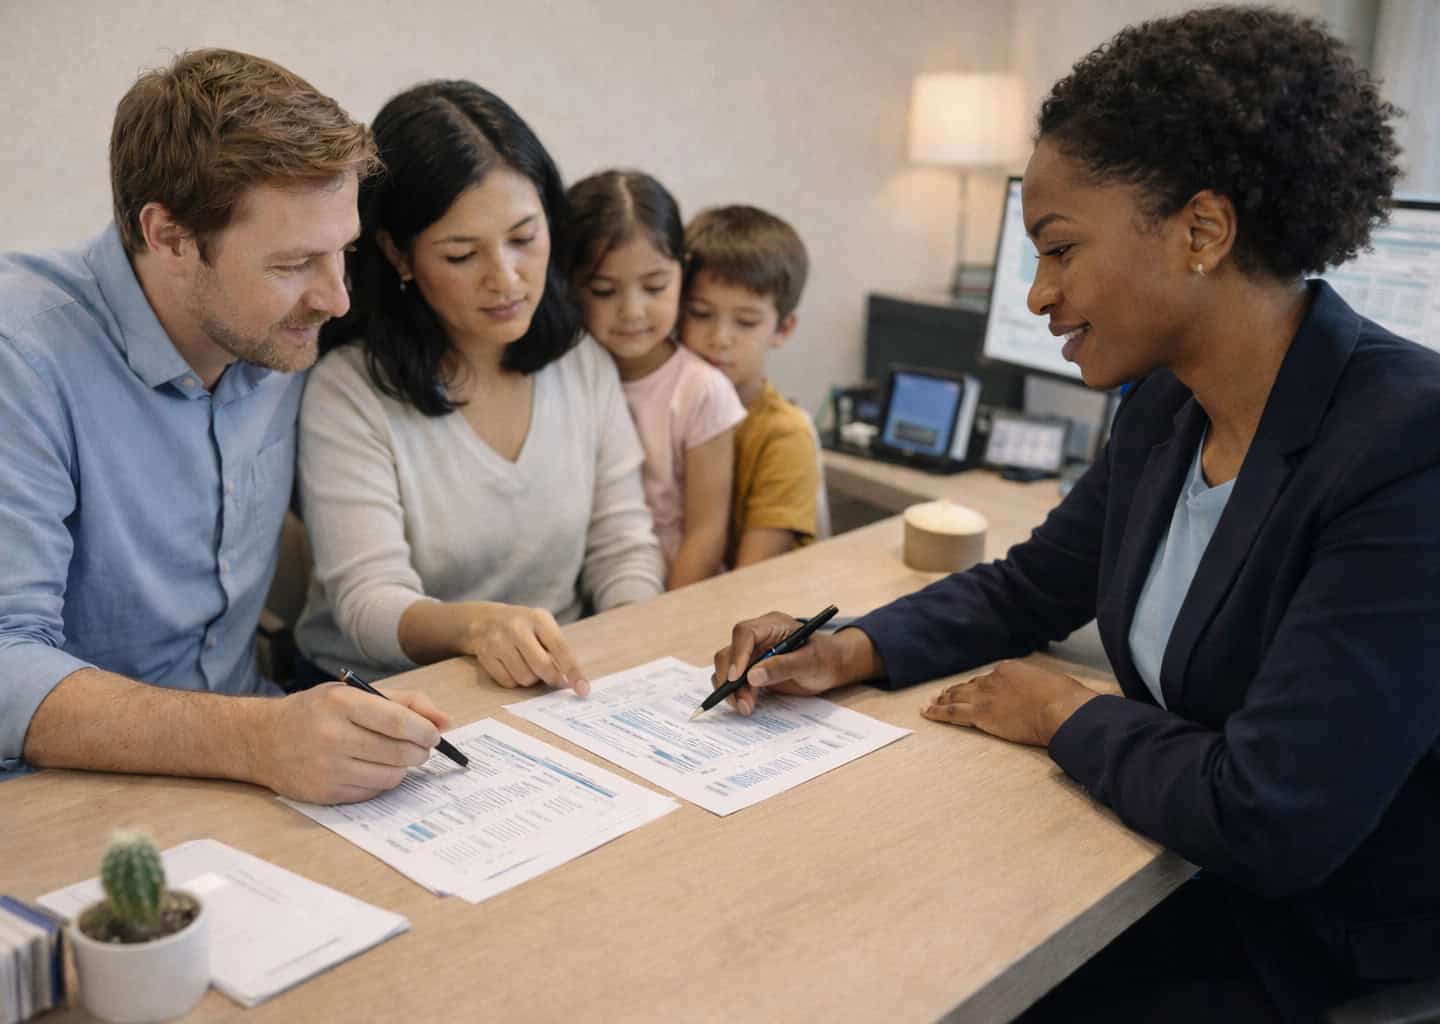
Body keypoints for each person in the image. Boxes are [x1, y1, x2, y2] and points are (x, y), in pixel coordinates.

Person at [711, 7, 1438, 1020]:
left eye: (1059, 250)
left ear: (1202, 230)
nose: (1041, 294)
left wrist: (1064, 711)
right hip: (1170, 859)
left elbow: (1269, 814)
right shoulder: (1167, 407)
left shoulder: (1409, 445)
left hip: (1315, 936)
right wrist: (847, 648)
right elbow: (1029, 586)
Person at [0, 49, 453, 809]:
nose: (335, 298)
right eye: (293, 263)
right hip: (7, 795)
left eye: (346, 253)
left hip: (238, 769)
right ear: (166, 236)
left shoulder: (277, 333)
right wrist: (257, 738)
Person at [293, 81, 664, 697]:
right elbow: (368, 602)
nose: (507, 279)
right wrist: (478, 627)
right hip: (389, 695)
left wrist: (632, 651)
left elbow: (623, 549)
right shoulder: (350, 391)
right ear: (398, 255)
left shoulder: (580, 362)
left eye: (524, 238)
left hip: (555, 687)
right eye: (463, 255)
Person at [565, 170, 745, 588]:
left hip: (677, 597)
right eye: (605, 291)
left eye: (655, 286)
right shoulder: (566, 377)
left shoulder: (701, 390)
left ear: (681, 272)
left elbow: (707, 532)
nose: (632, 311)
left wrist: (665, 621)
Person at [680, 205, 820, 567]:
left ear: (783, 329)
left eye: (745, 321)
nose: (719, 338)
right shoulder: (665, 403)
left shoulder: (783, 436)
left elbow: (753, 582)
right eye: (700, 313)